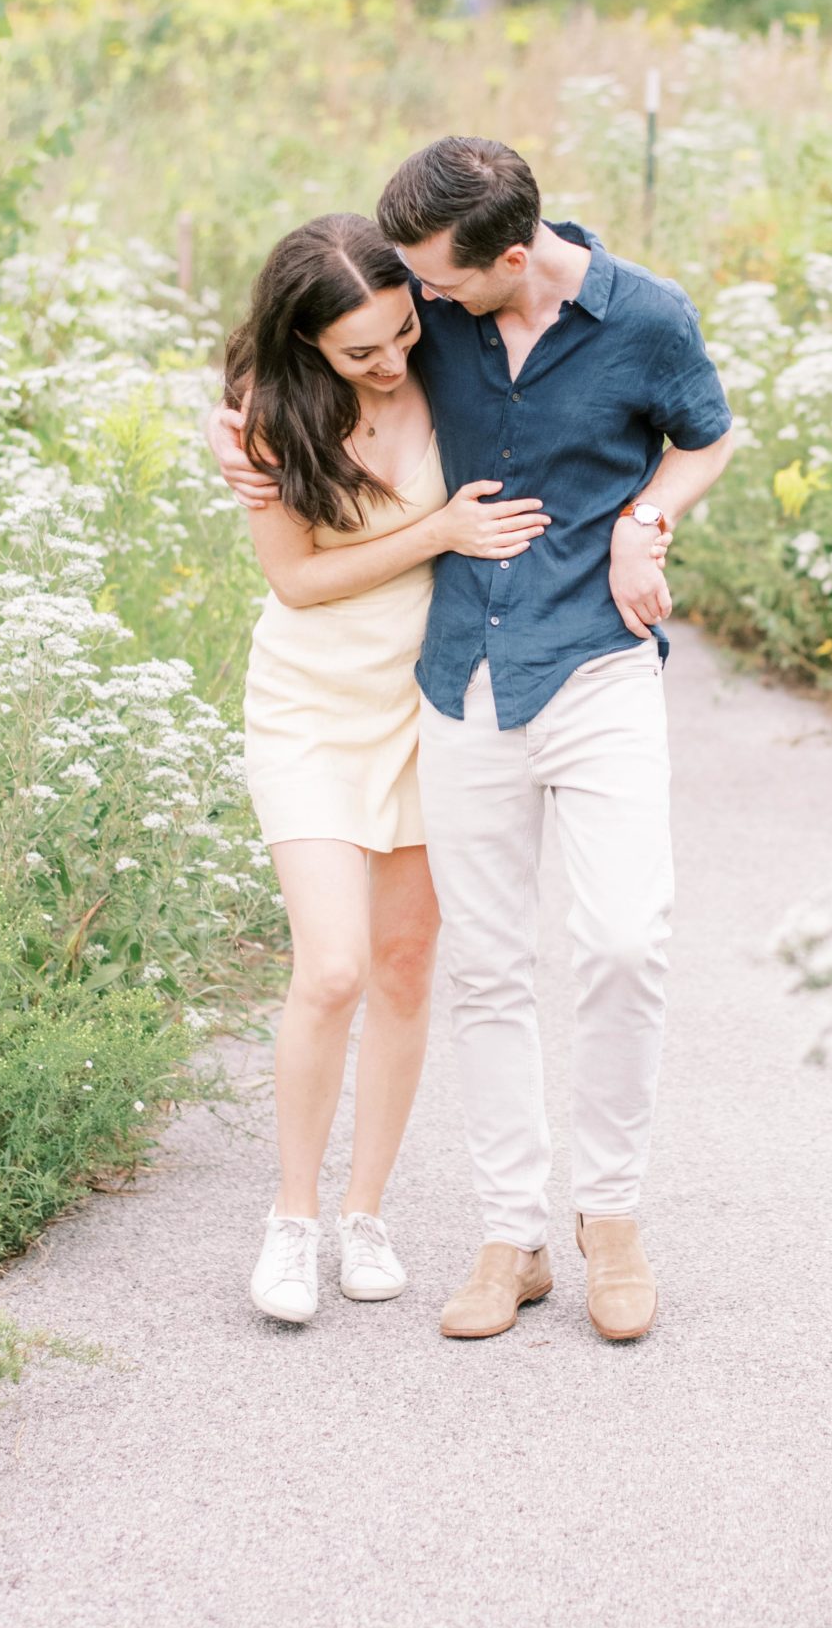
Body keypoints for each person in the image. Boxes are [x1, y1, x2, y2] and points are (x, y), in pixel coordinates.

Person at [212, 141, 734, 1343]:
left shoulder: (641, 317)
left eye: (431, 293)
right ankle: (510, 1232)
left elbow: (704, 432)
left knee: (617, 938)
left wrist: (646, 520)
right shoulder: (416, 306)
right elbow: (310, 324)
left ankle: (611, 1213)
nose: (414, 324)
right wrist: (238, 414)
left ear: (506, 259)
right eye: (403, 300)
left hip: (594, 658)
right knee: (474, 964)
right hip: (450, 681)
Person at [227, 213, 551, 1325]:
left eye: (400, 330)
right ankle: (293, 1218)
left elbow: (535, 273)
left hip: (430, 708)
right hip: (311, 712)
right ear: (305, 340)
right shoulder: (272, 417)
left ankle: (367, 1212)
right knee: (330, 967)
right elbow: (301, 583)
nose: (391, 360)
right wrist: (437, 534)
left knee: (408, 968)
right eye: (361, 350)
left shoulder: (449, 360)